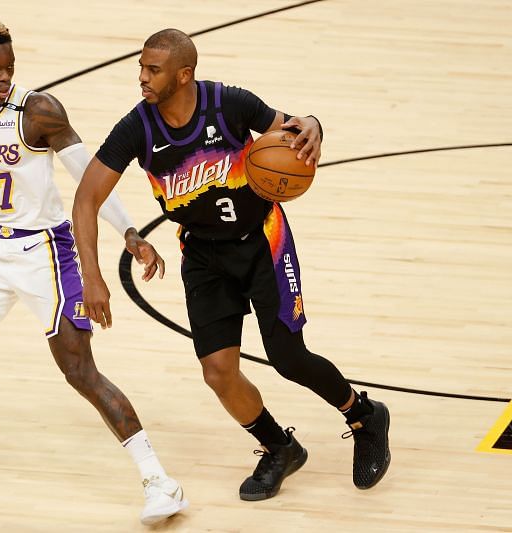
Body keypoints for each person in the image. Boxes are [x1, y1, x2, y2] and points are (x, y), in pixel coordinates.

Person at [73, 28, 391, 502]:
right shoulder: (137, 127)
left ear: (184, 75)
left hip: (263, 240)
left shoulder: (228, 104)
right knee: (218, 371)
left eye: (152, 69)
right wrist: (92, 277)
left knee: (287, 357)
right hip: (202, 254)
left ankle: (363, 414)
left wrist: (316, 124)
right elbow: (85, 199)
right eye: (141, 66)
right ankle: (279, 447)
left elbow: (296, 129)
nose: (142, 76)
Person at [0, 17, 188, 525]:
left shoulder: (40, 112)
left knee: (79, 372)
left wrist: (131, 234)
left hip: (48, 252)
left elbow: (90, 180)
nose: (4, 77)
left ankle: (159, 480)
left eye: (9, 67)